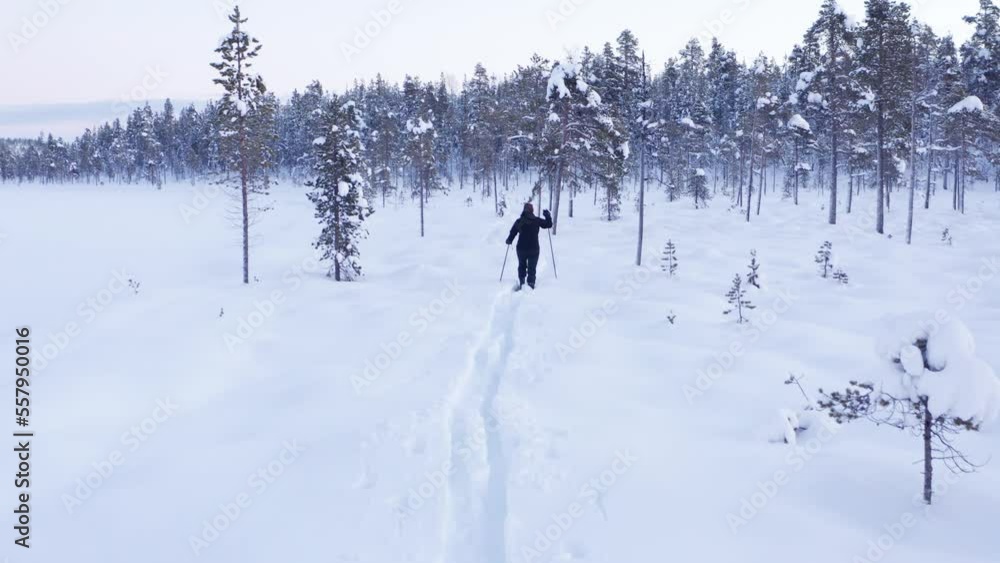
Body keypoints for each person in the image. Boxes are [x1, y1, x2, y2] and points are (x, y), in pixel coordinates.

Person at [505, 202, 552, 289]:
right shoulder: (537, 220)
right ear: (532, 210)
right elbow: (548, 224)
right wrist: (547, 216)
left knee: (521, 265)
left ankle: (522, 282)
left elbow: (512, 233)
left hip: (521, 249)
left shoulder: (519, 221)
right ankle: (531, 284)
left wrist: (509, 240)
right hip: (534, 249)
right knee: (532, 268)